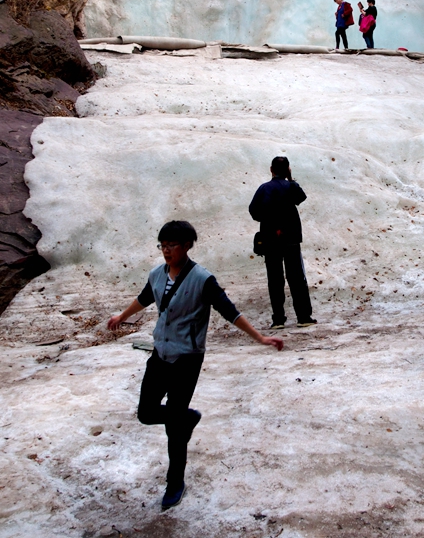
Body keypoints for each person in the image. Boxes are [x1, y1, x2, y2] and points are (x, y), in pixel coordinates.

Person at [107, 220, 283, 510]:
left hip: (187, 359)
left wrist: (260, 337)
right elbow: (144, 299)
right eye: (162, 246)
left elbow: (230, 311)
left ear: (187, 246)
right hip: (160, 354)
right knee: (146, 413)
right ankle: (186, 418)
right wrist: (121, 317)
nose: (166, 251)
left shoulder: (202, 279)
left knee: (174, 430)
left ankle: (175, 482)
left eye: (171, 246)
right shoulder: (157, 274)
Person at [249, 156, 316, 329]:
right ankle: (303, 317)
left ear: (271, 169)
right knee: (296, 277)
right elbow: (301, 197)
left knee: (275, 278)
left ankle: (278, 319)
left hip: (271, 238)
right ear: (287, 169)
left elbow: (253, 211)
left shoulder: (264, 189)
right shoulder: (291, 187)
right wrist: (290, 179)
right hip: (291, 238)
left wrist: (269, 222)